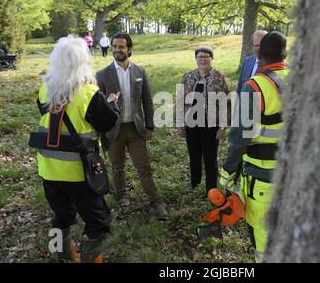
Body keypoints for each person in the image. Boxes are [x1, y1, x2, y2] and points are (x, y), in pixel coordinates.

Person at [33, 36, 120, 263]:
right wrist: (112, 104)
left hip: (49, 170)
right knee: (97, 221)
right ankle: (90, 259)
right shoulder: (88, 93)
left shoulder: (45, 89)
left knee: (60, 216)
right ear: (84, 61)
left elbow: (46, 114)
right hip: (80, 174)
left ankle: (60, 254)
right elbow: (108, 122)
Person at [219, 31, 289, 262]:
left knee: (262, 239)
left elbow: (240, 138)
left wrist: (227, 173)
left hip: (262, 177)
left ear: (259, 53)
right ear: (284, 51)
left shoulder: (256, 86)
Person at [95, 33, 169, 220]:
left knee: (144, 167)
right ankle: (122, 200)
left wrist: (150, 126)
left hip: (136, 129)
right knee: (117, 167)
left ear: (129, 49)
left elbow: (147, 102)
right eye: (114, 46)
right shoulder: (102, 75)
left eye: (121, 46)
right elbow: (98, 106)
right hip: (114, 131)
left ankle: (156, 202)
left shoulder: (139, 72)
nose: (117, 50)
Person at [176, 46, 231, 195]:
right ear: (196, 59)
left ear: (212, 58)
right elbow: (180, 100)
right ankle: (195, 183)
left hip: (211, 124)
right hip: (191, 123)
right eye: (200, 56)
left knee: (210, 157)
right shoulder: (187, 77)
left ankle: (211, 189)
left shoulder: (220, 78)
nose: (203, 59)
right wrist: (180, 124)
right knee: (194, 155)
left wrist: (223, 127)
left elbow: (226, 103)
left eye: (207, 56)